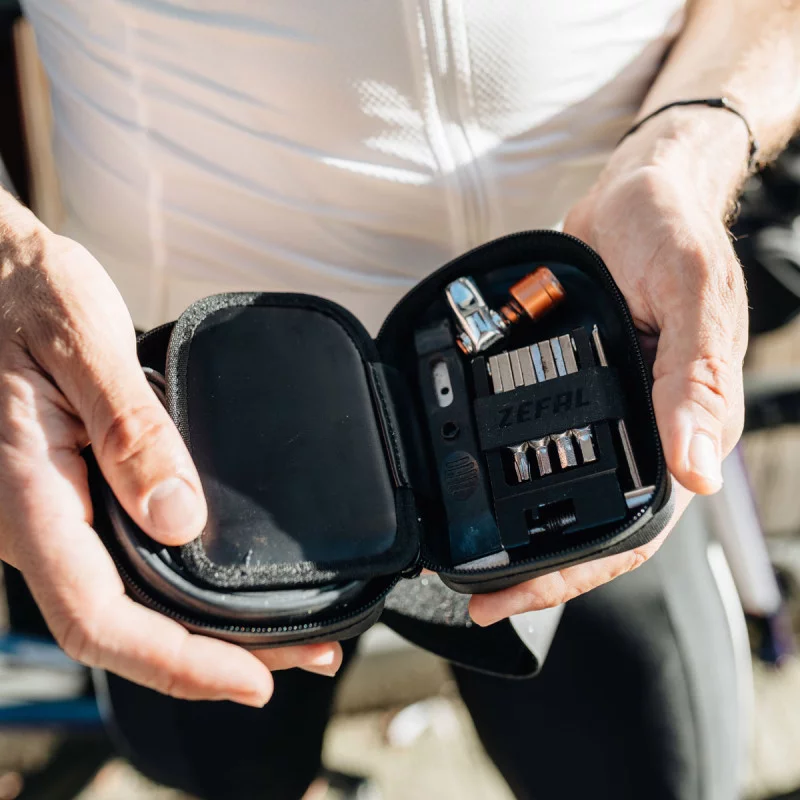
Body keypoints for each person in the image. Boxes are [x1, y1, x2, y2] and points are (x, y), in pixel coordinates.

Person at [0, 1, 797, 797]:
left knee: (653, 773)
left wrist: (685, 151)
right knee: (222, 767)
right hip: (196, 431)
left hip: (604, 371)